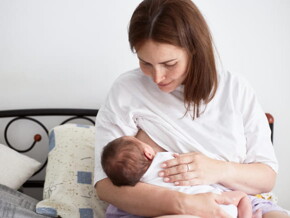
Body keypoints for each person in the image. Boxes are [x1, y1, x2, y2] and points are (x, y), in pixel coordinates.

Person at [94, 0, 290, 217]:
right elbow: (104, 184)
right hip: (159, 204)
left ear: (194, 50)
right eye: (145, 63)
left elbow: (266, 177)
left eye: (169, 64)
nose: (157, 77)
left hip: (237, 200)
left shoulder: (235, 89)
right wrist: (185, 203)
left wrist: (217, 169)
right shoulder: (127, 90)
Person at [101, 136, 254, 218]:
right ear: (148, 153)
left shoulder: (139, 186)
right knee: (241, 196)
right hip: (222, 206)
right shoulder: (166, 159)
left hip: (190, 213)